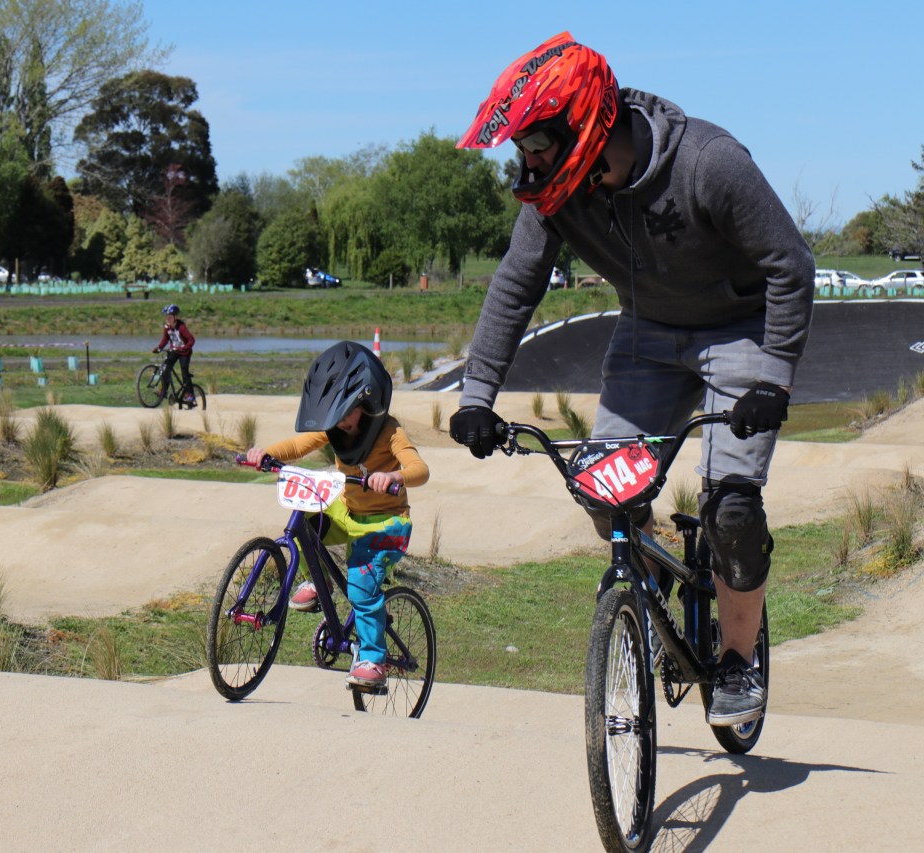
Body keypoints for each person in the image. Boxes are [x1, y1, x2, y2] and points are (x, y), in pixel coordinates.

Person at [449, 32, 814, 726]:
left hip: (739, 329)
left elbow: (790, 265)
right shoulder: (555, 197)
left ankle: (738, 661)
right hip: (647, 334)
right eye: (520, 147)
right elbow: (514, 284)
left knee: (732, 509)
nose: (528, 162)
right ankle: (644, 599)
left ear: (583, 122)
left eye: (538, 144)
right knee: (600, 488)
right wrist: (476, 395)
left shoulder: (708, 162)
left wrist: (775, 379)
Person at [246, 341, 430, 689]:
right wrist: (264, 453)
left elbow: (420, 469)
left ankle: (374, 661)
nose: (341, 421)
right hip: (348, 512)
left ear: (367, 401)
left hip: (387, 523)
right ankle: (321, 581)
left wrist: (394, 477)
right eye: (336, 413)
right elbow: (299, 445)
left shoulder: (390, 431)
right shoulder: (334, 427)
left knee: (362, 583)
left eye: (347, 412)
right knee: (306, 520)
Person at [153, 304, 196, 406]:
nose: (167, 319)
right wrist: (159, 348)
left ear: (175, 317)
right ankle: (164, 391)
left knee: (184, 373)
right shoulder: (167, 327)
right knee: (166, 368)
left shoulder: (181, 327)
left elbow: (191, 340)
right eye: (166, 317)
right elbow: (165, 339)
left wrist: (185, 348)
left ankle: (190, 395)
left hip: (185, 352)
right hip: (175, 351)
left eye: (170, 317)